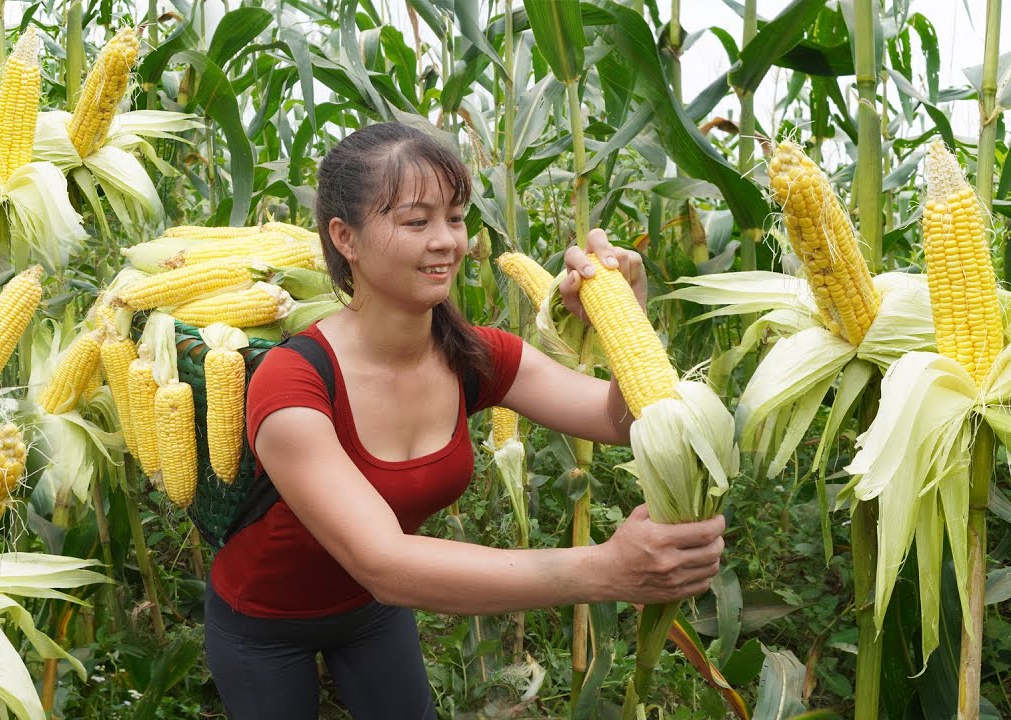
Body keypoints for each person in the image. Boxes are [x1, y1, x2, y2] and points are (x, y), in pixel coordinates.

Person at [204, 122, 726, 719]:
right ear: (345, 237)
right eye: (416, 220)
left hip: (372, 616)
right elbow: (386, 564)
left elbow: (618, 418)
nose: (447, 241)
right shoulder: (293, 381)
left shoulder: (475, 356)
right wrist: (605, 569)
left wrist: (621, 319)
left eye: (454, 217)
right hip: (266, 622)